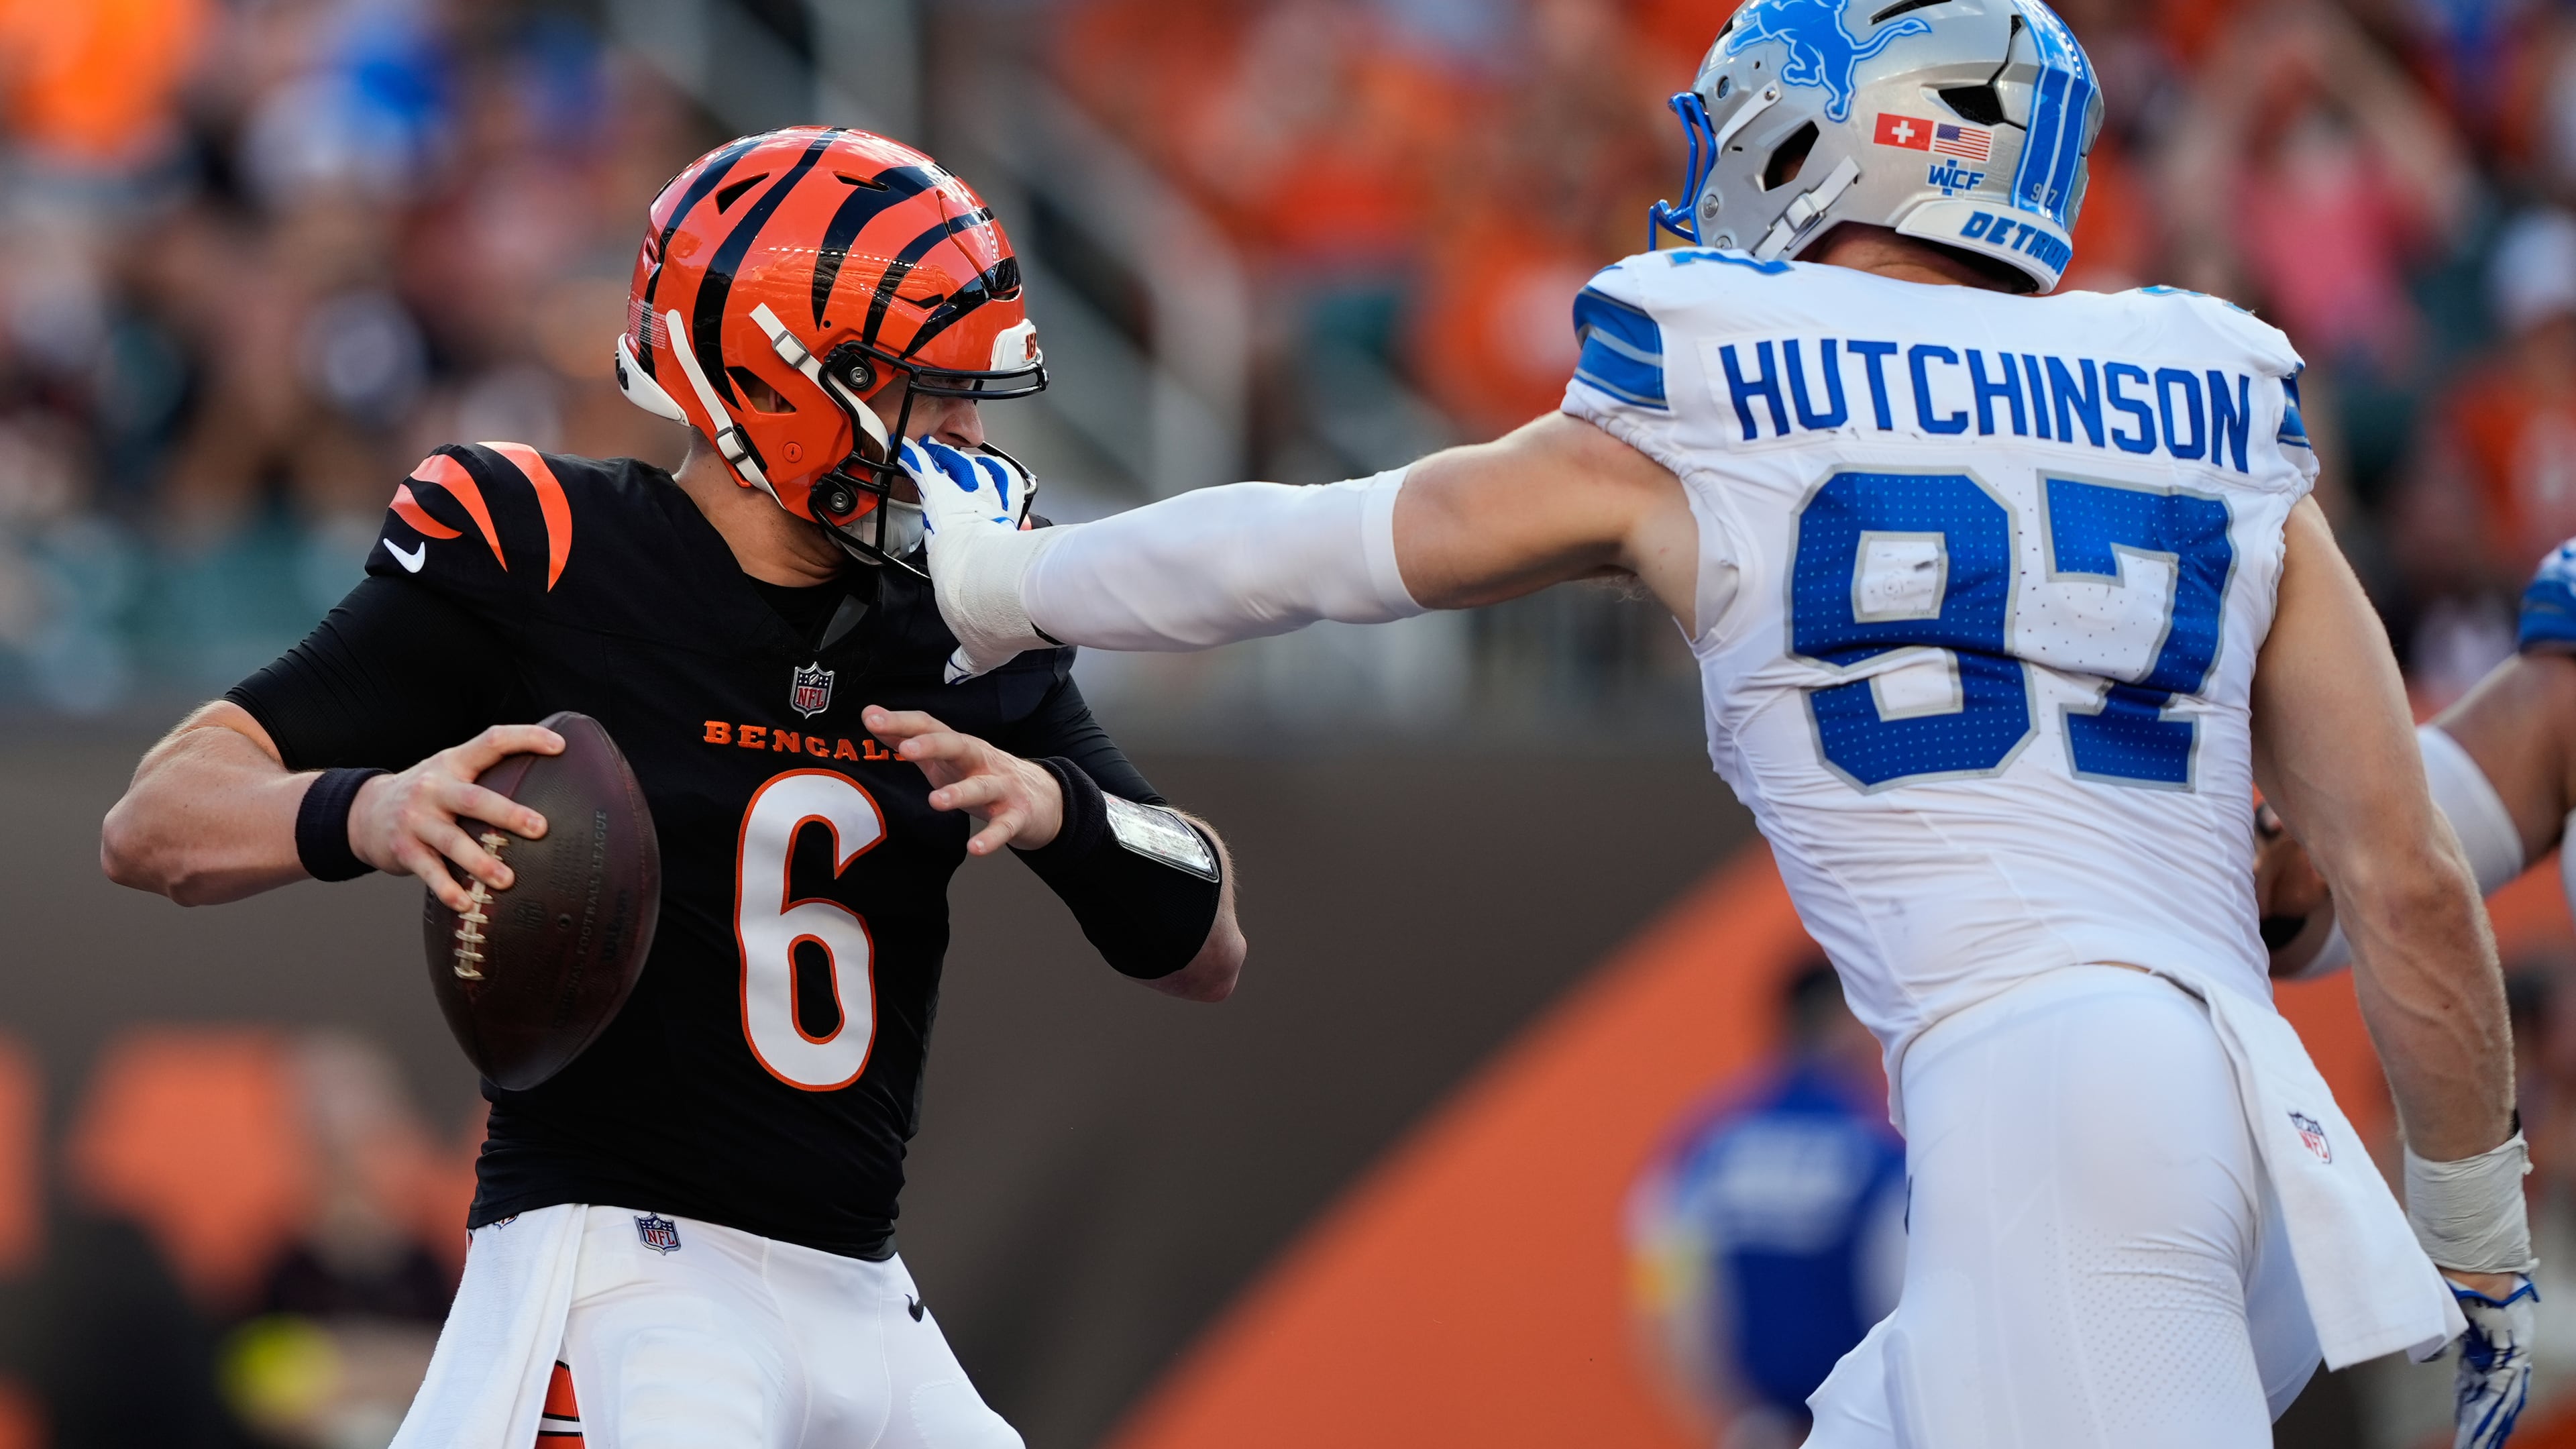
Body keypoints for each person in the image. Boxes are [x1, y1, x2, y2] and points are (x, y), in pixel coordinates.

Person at [902, 3, 2534, 1444]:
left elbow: (1330, 547)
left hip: (2040, 1101)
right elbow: (2395, 869)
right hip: (2234, 1114)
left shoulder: (1724, 369)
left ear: (1861, 133)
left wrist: (1010, 582)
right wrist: (2476, 1226)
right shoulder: (2203, 384)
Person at [97, 126, 1248, 1449]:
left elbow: (1204, 951)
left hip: (868, 1295)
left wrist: (1071, 814)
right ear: (786, 383)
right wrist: (369, 809)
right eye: (933, 398)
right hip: (631, 1272)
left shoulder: (965, 622)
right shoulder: (546, 552)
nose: (969, 445)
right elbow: (155, 823)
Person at [1628, 963, 1904, 1449]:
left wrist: (1732, 1425)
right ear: (1844, 1019)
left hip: (1763, 1424)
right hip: (1874, 1420)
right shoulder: (1880, 1144)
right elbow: (1912, 1291)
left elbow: (1664, 1304)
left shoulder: (1706, 1145)